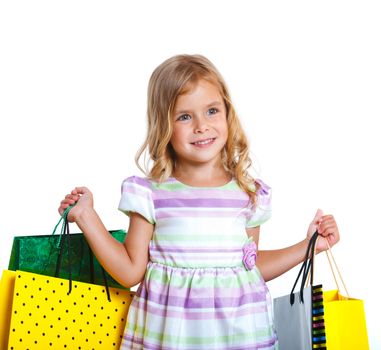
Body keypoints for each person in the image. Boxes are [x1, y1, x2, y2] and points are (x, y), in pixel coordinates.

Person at [58, 54, 340, 350]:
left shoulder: (248, 193)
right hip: (171, 340)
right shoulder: (150, 193)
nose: (201, 126)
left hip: (239, 337)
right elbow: (130, 271)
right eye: (184, 116)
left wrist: (309, 246)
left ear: (228, 114)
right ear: (163, 125)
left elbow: (249, 267)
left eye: (212, 111)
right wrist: (87, 217)